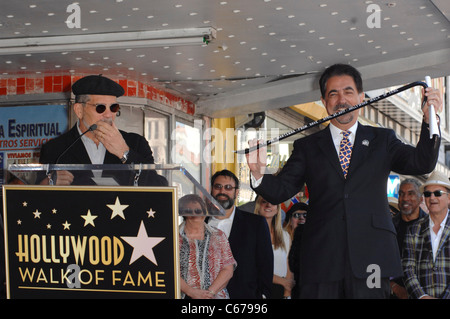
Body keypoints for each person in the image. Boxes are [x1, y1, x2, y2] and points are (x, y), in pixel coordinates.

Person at [246, 63, 442, 298]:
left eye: (348, 92)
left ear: (361, 96)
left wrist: (431, 118)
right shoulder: (307, 147)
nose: (342, 100)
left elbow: (421, 163)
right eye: (333, 93)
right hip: (322, 262)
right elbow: (281, 190)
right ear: (323, 101)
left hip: (372, 258)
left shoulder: (382, 139)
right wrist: (258, 174)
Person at [39, 74, 167, 186]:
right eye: (100, 108)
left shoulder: (135, 143)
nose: (108, 114)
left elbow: (158, 186)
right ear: (79, 110)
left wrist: (124, 153)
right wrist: (49, 182)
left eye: (113, 107)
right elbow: (35, 195)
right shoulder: (56, 149)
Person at [208, 169, 273, 299]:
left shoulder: (256, 224)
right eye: (218, 187)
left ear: (236, 192)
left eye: (228, 187)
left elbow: (265, 265)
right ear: (211, 190)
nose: (222, 191)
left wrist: (262, 296)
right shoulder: (199, 223)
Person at [402, 170, 450, 299]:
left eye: (438, 193)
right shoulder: (413, 230)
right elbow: (407, 268)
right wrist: (422, 296)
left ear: (449, 198)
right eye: (428, 194)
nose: (432, 197)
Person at [178, 194, 236, 299]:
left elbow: (228, 269)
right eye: (190, 210)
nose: (196, 214)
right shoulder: (173, 238)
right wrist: (191, 292)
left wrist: (209, 293)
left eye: (199, 210)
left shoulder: (219, 236)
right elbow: (169, 271)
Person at [390, 178, 427, 299]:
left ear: (420, 198)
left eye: (410, 194)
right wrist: (394, 287)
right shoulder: (389, 227)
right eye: (401, 194)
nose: (405, 198)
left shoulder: (431, 227)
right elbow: (377, 262)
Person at [254, 196, 295, 298]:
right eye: (264, 202)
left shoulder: (285, 236)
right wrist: (282, 281)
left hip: (281, 290)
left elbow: (289, 266)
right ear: (258, 207)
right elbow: (253, 267)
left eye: (273, 202)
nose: (268, 205)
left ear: (277, 209)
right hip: (258, 288)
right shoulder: (250, 235)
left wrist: (287, 292)